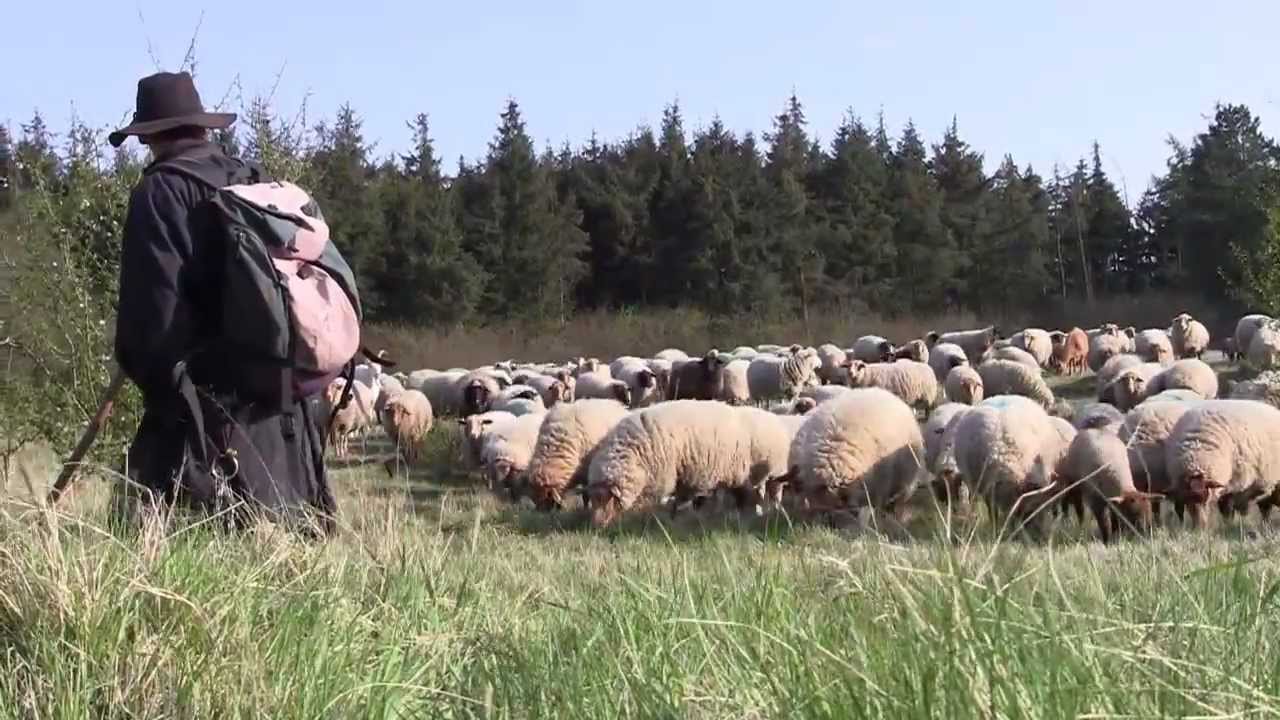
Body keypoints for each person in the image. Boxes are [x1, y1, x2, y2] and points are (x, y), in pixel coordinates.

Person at [108, 71, 336, 535]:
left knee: (154, 547)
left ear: (148, 135)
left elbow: (152, 326)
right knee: (288, 567)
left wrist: (155, 382)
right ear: (201, 127)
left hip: (207, 422)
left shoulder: (160, 192)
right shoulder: (252, 180)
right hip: (287, 416)